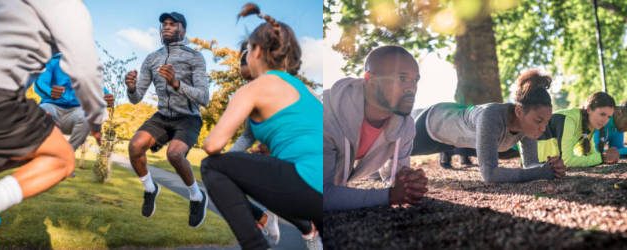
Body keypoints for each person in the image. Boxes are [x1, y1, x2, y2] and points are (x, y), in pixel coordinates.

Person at [0, 0, 105, 248]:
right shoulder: (67, 5)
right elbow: (85, 70)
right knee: (61, 159)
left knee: (22, 151)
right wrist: (96, 118)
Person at [200, 4, 323, 249]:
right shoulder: (307, 91)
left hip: (305, 184)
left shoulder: (253, 89)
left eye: (246, 50)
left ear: (256, 51)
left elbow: (212, 145)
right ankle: (308, 231)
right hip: (329, 189)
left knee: (211, 167)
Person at [124, 11, 211, 227]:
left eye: (173, 24)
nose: (167, 27)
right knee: (135, 147)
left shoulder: (194, 57)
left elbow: (204, 98)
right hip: (163, 116)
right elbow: (135, 99)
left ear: (183, 29)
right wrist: (131, 87)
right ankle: (150, 189)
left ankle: (196, 197)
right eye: (164, 24)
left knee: (174, 154)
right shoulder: (152, 59)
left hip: (188, 118)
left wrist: (176, 84)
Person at [411, 69, 566, 183]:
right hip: (433, 124)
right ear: (519, 111)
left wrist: (549, 167)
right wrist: (540, 173)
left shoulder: (527, 128)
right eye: (539, 121)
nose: (543, 128)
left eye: (546, 122)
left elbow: (530, 165)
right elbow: (490, 175)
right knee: (390, 148)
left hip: (454, 141)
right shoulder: (491, 117)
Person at [323, 45, 429, 211]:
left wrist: (408, 182)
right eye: (402, 78)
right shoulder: (324, 118)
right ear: (370, 80)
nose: (411, 88)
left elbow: (395, 180)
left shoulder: (405, 126)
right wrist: (389, 196)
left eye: (415, 80)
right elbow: (321, 195)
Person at [34, 53, 117, 151]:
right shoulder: (53, 62)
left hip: (76, 111)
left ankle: (67, 153)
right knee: (43, 111)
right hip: (52, 107)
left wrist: (106, 98)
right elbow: (40, 82)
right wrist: (50, 91)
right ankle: (43, 150)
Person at [529, 92, 618, 168]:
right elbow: (567, 161)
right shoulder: (570, 120)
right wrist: (602, 158)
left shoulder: (589, 124)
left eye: (609, 117)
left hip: (547, 162)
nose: (605, 120)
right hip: (532, 159)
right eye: (602, 114)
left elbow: (588, 155)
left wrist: (606, 157)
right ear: (589, 109)